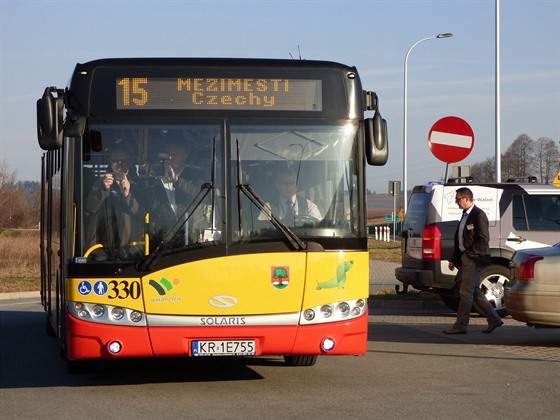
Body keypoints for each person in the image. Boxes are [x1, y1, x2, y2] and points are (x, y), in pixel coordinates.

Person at [443, 187, 503, 334]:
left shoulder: (478, 215)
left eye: (458, 199)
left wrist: (469, 255)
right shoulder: (465, 215)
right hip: (466, 257)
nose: (456, 202)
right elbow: (460, 239)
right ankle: (494, 319)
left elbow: (483, 239)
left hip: (475, 259)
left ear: (466, 198)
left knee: (465, 291)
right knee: (474, 291)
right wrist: (454, 258)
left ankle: (460, 325)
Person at [84, 144, 145, 258]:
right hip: (101, 248)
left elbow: (142, 214)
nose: (119, 165)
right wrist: (102, 189)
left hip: (131, 250)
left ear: (130, 162)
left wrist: (127, 195)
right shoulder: (100, 183)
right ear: (110, 162)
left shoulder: (138, 185)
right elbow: (89, 208)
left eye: (123, 161)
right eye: (115, 161)